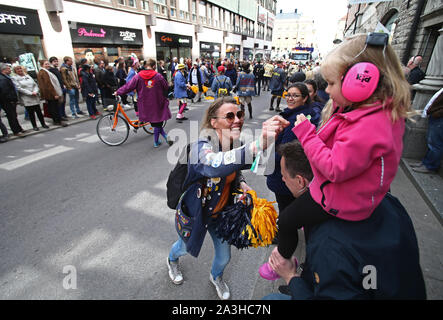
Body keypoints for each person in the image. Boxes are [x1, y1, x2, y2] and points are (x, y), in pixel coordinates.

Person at [262, 33, 413, 280]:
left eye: (331, 84)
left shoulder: (370, 124)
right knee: (307, 229)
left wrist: (305, 133)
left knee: (288, 218)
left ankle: (283, 264)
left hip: (339, 200)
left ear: (360, 82)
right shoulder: (364, 112)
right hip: (335, 192)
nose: (327, 91)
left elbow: (334, 166)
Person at [263, 141, 426, 300]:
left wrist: (291, 277)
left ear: (300, 181)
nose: (282, 180)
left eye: (283, 176)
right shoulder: (387, 200)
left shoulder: (329, 243)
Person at [166, 96, 290, 300]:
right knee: (183, 248)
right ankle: (171, 262)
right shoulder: (200, 145)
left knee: (224, 257)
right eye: (230, 116)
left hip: (222, 214)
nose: (238, 119)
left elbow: (235, 169)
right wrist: (258, 144)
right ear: (213, 122)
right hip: (196, 213)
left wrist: (241, 184)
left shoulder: (234, 142)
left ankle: (216, 277)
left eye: (240, 114)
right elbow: (214, 164)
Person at [265, 83, 317, 214]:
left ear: (305, 98)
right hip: (298, 175)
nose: (290, 98)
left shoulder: (295, 119)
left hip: (287, 176)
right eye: (288, 95)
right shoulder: (307, 113)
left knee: (286, 214)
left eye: (295, 96)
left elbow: (284, 151)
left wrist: (265, 160)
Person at [116, 58, 172, 148]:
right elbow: (165, 86)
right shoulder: (158, 76)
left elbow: (128, 86)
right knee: (157, 122)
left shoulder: (138, 76)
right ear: (154, 66)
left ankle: (158, 141)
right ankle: (162, 139)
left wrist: (118, 92)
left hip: (145, 104)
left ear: (146, 65)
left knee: (155, 123)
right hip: (157, 102)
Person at [410, 88, 443, 174]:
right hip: (436, 116)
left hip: (439, 118)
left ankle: (430, 165)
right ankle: (426, 162)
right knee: (431, 141)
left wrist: (438, 112)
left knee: (435, 143)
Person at [12, 65, 48, 131]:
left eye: (20, 68)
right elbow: (19, 88)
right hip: (26, 97)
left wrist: (35, 91)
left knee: (39, 111)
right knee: (31, 113)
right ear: (15, 71)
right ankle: (34, 126)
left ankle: (43, 124)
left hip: (34, 96)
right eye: (17, 69)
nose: (19, 70)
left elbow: (35, 84)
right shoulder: (15, 78)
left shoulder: (27, 76)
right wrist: (30, 93)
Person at [37, 60, 68, 127]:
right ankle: (57, 121)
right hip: (50, 94)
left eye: (48, 64)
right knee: (54, 108)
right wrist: (54, 94)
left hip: (51, 93)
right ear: (42, 65)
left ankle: (57, 120)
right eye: (46, 64)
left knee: (54, 107)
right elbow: (48, 84)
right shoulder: (43, 72)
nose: (48, 65)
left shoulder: (46, 71)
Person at [0, 63, 26, 136]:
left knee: (14, 115)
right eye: (8, 68)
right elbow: (5, 92)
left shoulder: (6, 77)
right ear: (4, 70)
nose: (10, 70)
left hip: (11, 100)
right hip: (7, 101)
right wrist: (11, 99)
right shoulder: (2, 79)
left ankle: (19, 129)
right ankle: (16, 131)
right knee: (11, 116)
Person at [49, 56, 68, 121]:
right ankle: (61, 116)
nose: (56, 62)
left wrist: (63, 85)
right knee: (60, 103)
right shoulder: (51, 70)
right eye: (54, 61)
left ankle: (63, 114)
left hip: (62, 87)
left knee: (63, 102)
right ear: (51, 63)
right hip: (58, 89)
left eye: (57, 61)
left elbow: (60, 78)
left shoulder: (57, 69)